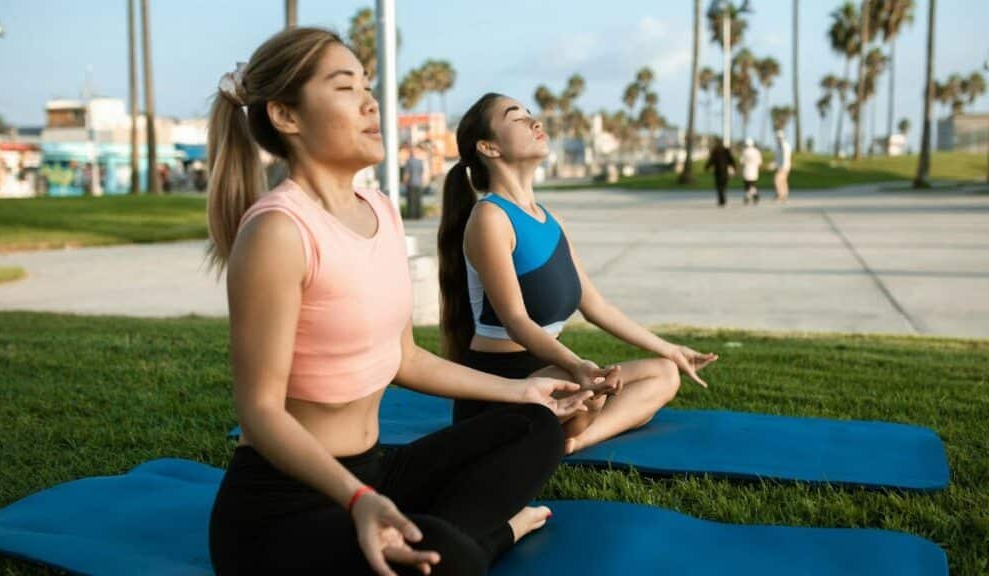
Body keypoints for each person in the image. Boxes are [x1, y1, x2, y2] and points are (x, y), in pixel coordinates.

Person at [206, 29, 593, 576]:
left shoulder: (380, 211)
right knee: (442, 554)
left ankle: (441, 537)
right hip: (282, 510)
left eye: (367, 84)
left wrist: (522, 389)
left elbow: (404, 357)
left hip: (375, 473)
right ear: (286, 116)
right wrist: (357, 500)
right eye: (345, 88)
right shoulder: (278, 232)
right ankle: (485, 537)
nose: (371, 102)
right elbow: (260, 412)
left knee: (535, 424)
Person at [437, 93, 720, 456]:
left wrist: (671, 349)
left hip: (552, 372)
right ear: (489, 147)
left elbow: (596, 306)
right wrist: (579, 367)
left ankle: (579, 439)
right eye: (517, 118)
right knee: (590, 395)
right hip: (502, 382)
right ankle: (571, 421)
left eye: (531, 114)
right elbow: (517, 321)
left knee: (663, 373)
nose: (535, 122)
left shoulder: (549, 221)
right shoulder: (490, 218)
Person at [704, 137, 736, 207]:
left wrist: (707, 167)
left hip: (718, 171)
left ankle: (721, 199)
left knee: (719, 186)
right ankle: (722, 199)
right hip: (724, 171)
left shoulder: (716, 151)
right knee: (723, 185)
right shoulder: (726, 150)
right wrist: (734, 167)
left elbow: (711, 160)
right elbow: (731, 159)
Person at [740, 138, 762, 205]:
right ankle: (753, 196)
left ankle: (749, 196)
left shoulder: (745, 151)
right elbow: (759, 161)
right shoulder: (756, 151)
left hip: (747, 170)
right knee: (752, 184)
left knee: (748, 185)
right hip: (754, 170)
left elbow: (741, 161)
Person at [773, 130, 792, 203]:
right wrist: (773, 165)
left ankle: (780, 195)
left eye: (779, 138)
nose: (778, 139)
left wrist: (782, 167)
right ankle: (784, 196)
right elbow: (777, 158)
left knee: (777, 180)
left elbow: (785, 157)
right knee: (783, 181)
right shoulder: (778, 146)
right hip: (780, 167)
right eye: (777, 138)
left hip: (784, 167)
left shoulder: (785, 146)